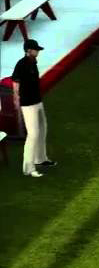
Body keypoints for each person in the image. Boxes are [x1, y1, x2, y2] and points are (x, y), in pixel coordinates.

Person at [11, 39, 55, 178]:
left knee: (42, 129)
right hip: (28, 104)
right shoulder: (21, 64)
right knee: (33, 134)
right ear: (29, 50)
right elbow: (15, 82)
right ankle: (28, 168)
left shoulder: (33, 62)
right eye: (36, 49)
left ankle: (40, 159)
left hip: (37, 101)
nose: (38, 52)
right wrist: (16, 100)